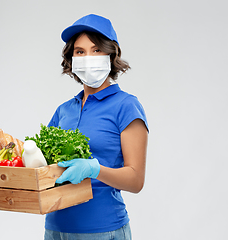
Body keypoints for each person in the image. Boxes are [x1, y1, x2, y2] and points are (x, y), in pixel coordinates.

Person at [44, 14, 149, 240]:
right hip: (55, 229)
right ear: (71, 58)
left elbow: (136, 180)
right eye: (80, 51)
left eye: (96, 50)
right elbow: (45, 166)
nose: (87, 57)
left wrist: (95, 170)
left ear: (111, 55)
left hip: (102, 230)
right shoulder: (64, 110)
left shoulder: (126, 106)